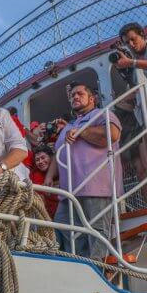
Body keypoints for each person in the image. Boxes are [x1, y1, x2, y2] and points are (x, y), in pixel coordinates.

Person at [45, 83, 123, 260]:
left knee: (97, 231)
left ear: (92, 99)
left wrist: (82, 132)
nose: (75, 97)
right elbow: (58, 152)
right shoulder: (68, 126)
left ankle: (97, 268)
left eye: (80, 94)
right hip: (68, 192)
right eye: (72, 95)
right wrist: (49, 176)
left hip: (96, 187)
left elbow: (112, 134)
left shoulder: (102, 114)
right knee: (62, 230)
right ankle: (75, 267)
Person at [28, 145, 59, 218]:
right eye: (37, 160)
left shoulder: (62, 169)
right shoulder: (35, 174)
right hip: (45, 217)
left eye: (43, 158)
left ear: (51, 157)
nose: (40, 162)